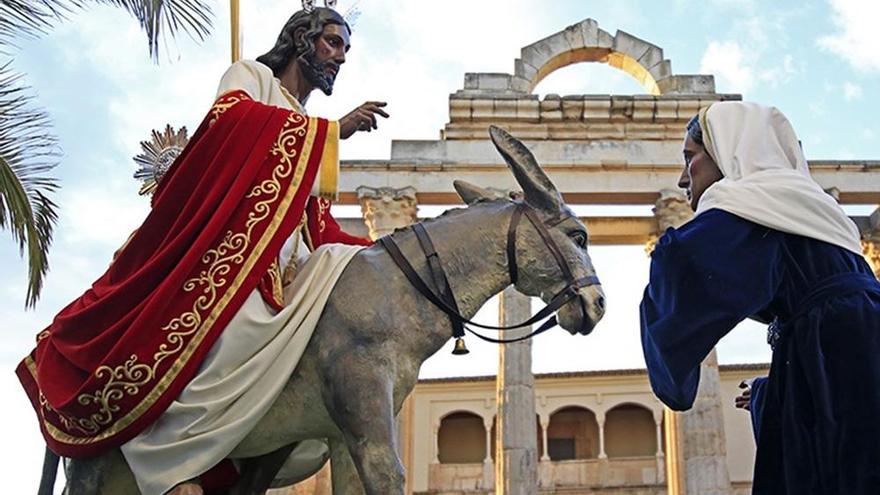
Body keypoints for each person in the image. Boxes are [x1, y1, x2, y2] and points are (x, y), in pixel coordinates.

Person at [17, 7, 388, 495]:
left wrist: (383, 264)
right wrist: (331, 132)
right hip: (230, 264)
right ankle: (165, 465)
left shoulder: (302, 123)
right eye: (334, 43)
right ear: (302, 39)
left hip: (278, 276)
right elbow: (229, 129)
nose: (341, 58)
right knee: (237, 328)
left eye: (345, 49)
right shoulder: (250, 75)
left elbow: (313, 223)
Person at [640, 101, 880, 494]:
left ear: (726, 152)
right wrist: (778, 388)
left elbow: (684, 267)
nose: (684, 179)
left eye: (690, 158)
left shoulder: (751, 203)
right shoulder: (813, 210)